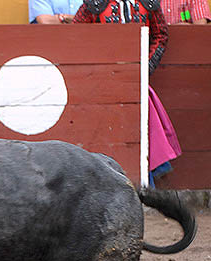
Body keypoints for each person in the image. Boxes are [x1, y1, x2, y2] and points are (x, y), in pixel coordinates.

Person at [73, 0, 180, 185]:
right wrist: (98, 70)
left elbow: (160, 35)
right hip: (102, 81)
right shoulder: (94, 4)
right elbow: (76, 37)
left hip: (136, 80)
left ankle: (145, 181)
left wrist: (145, 68)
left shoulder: (147, 3)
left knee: (142, 120)